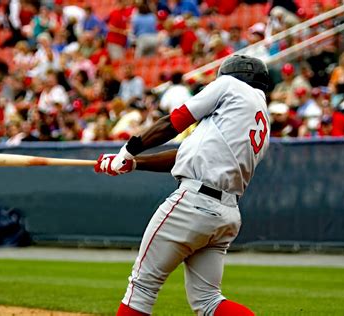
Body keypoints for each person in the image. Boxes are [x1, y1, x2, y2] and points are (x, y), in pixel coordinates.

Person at [94, 55, 270, 316]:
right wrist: (133, 163)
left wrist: (128, 150)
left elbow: (174, 121)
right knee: (209, 301)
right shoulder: (260, 121)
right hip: (225, 215)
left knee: (141, 286)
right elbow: (185, 155)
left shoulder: (230, 86)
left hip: (193, 203)